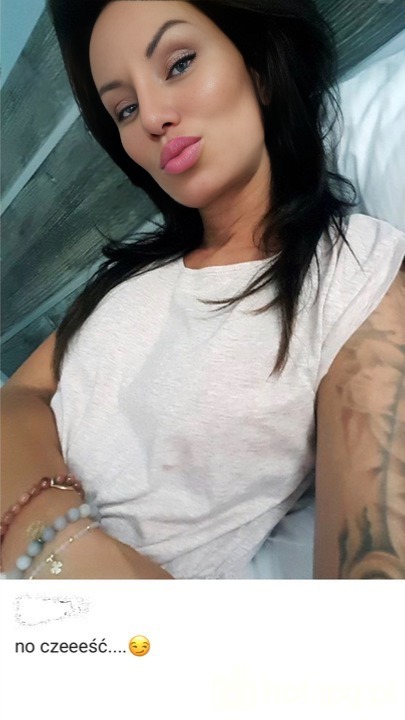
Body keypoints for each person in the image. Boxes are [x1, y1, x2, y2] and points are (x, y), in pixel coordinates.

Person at [1, 0, 404, 580]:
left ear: (258, 71)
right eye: (125, 108)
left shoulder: (356, 271)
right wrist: (54, 526)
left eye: (179, 63)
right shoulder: (134, 273)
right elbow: (21, 393)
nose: (151, 118)